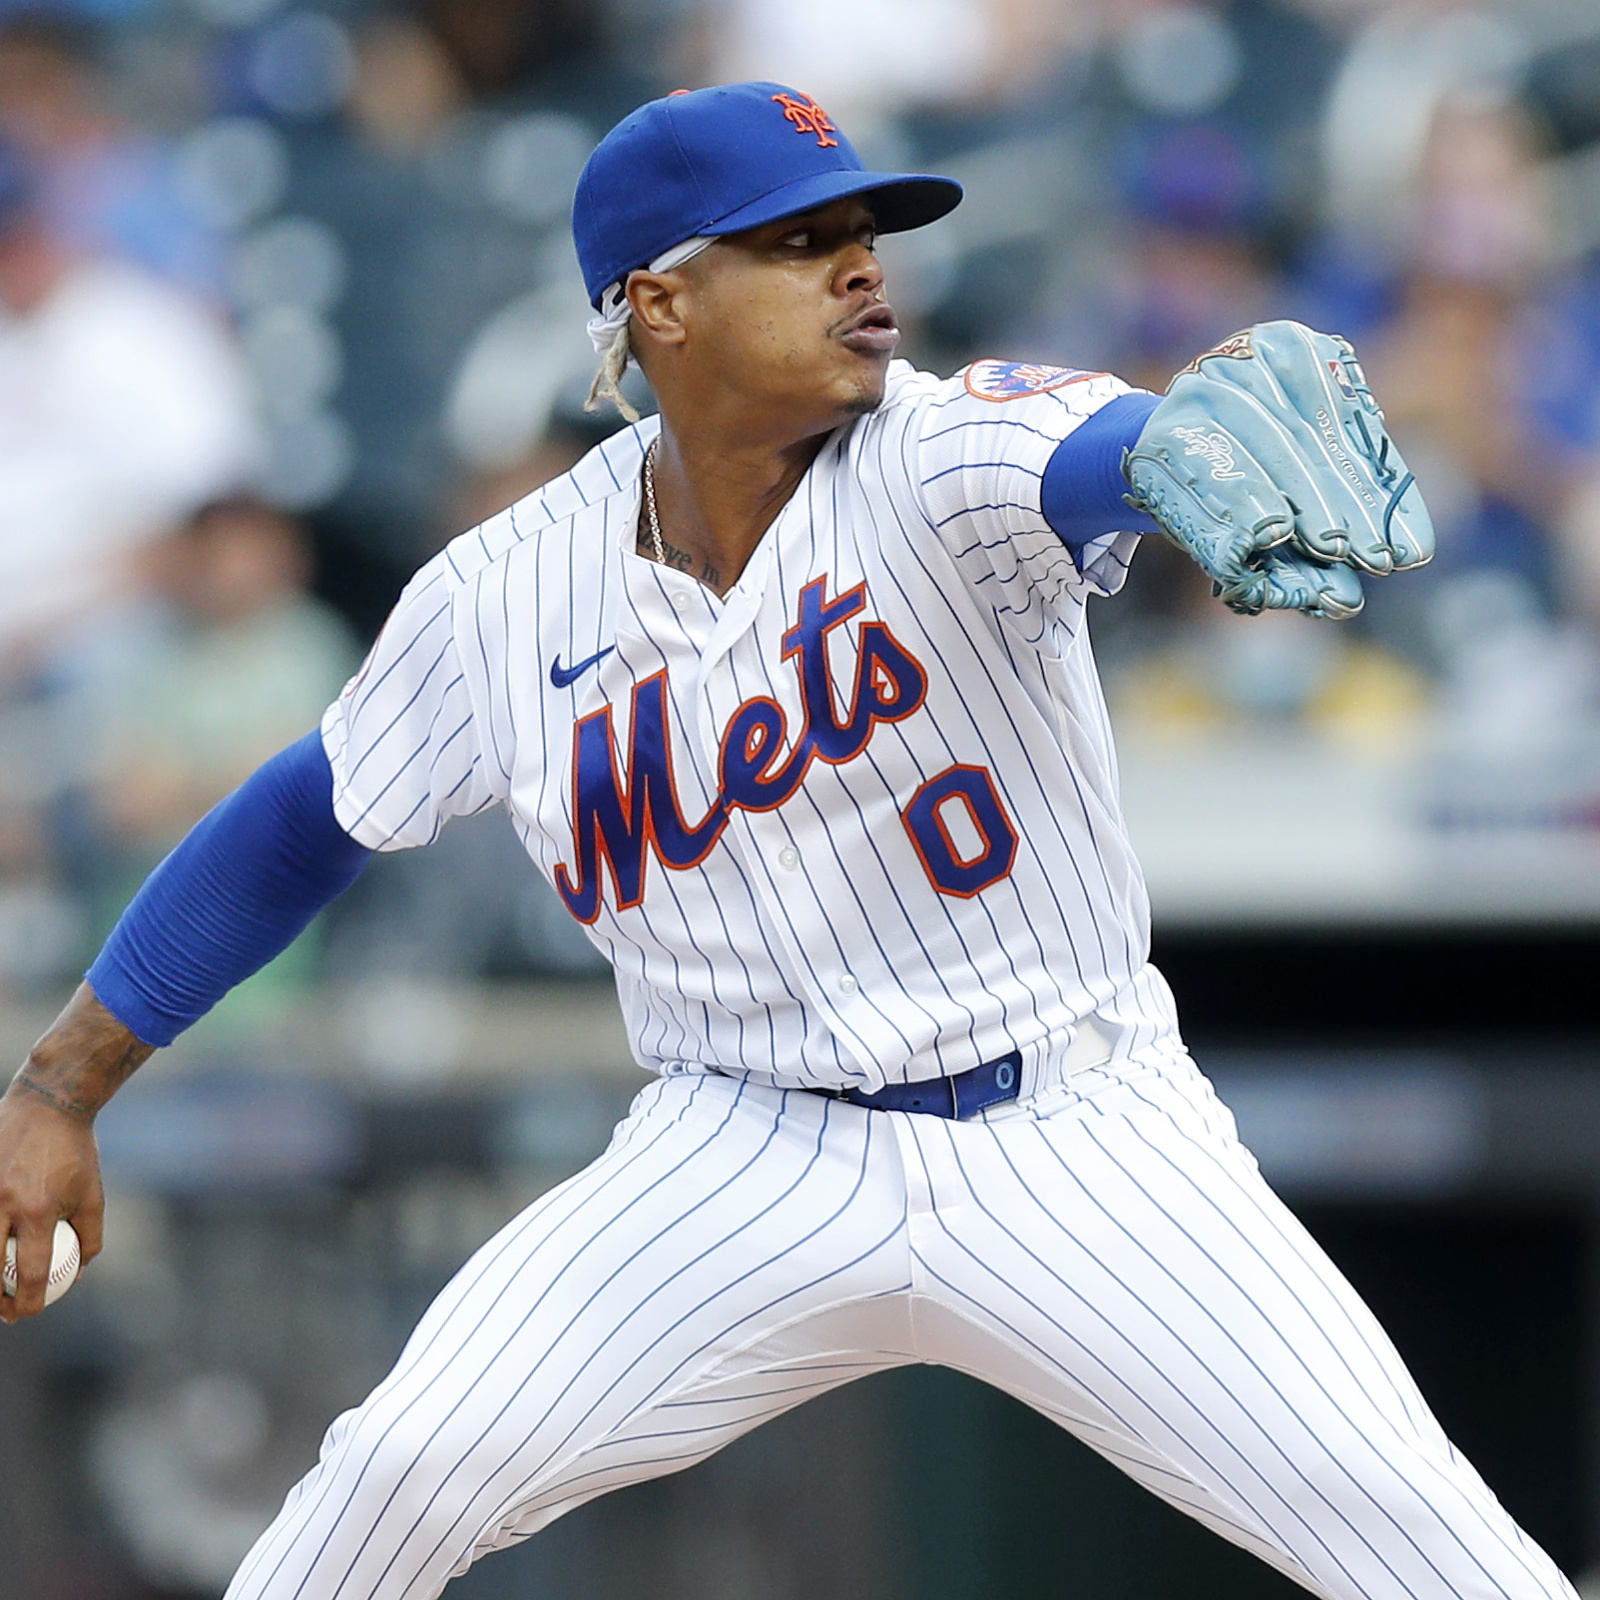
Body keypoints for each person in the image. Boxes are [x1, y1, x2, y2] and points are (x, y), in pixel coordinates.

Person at [0, 82, 1576, 1600]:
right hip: (741, 1152)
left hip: (1074, 1131)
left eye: (867, 231)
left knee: (1421, 1541)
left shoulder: (943, 456)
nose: (861, 267)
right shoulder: (501, 596)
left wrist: (1161, 458)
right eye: (798, 239)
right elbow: (298, 820)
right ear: (659, 305)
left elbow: (1096, 452)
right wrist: (64, 1084)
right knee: (388, 1480)